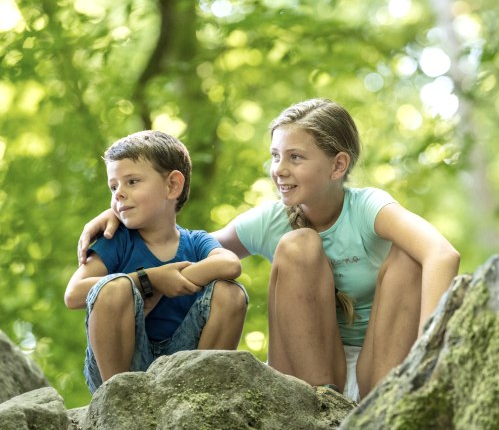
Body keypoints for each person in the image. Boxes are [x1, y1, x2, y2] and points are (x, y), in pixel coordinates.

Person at [78, 99, 460, 401]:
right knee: (298, 244)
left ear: (337, 165)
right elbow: (179, 248)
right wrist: (125, 209)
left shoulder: (368, 208)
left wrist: (431, 348)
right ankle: (321, 405)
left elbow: (442, 255)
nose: (279, 168)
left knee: (410, 256)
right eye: (276, 156)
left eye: (295, 157)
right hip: (309, 370)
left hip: (382, 364)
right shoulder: (270, 220)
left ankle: (384, 406)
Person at [66, 130, 248, 394]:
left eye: (132, 181)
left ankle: (201, 397)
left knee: (230, 293)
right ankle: (119, 400)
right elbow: (74, 294)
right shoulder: (117, 240)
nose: (119, 194)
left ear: (172, 185)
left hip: (183, 365)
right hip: (123, 367)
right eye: (113, 186)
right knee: (114, 287)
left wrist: (174, 280)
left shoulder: (195, 241)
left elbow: (230, 265)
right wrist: (149, 280)